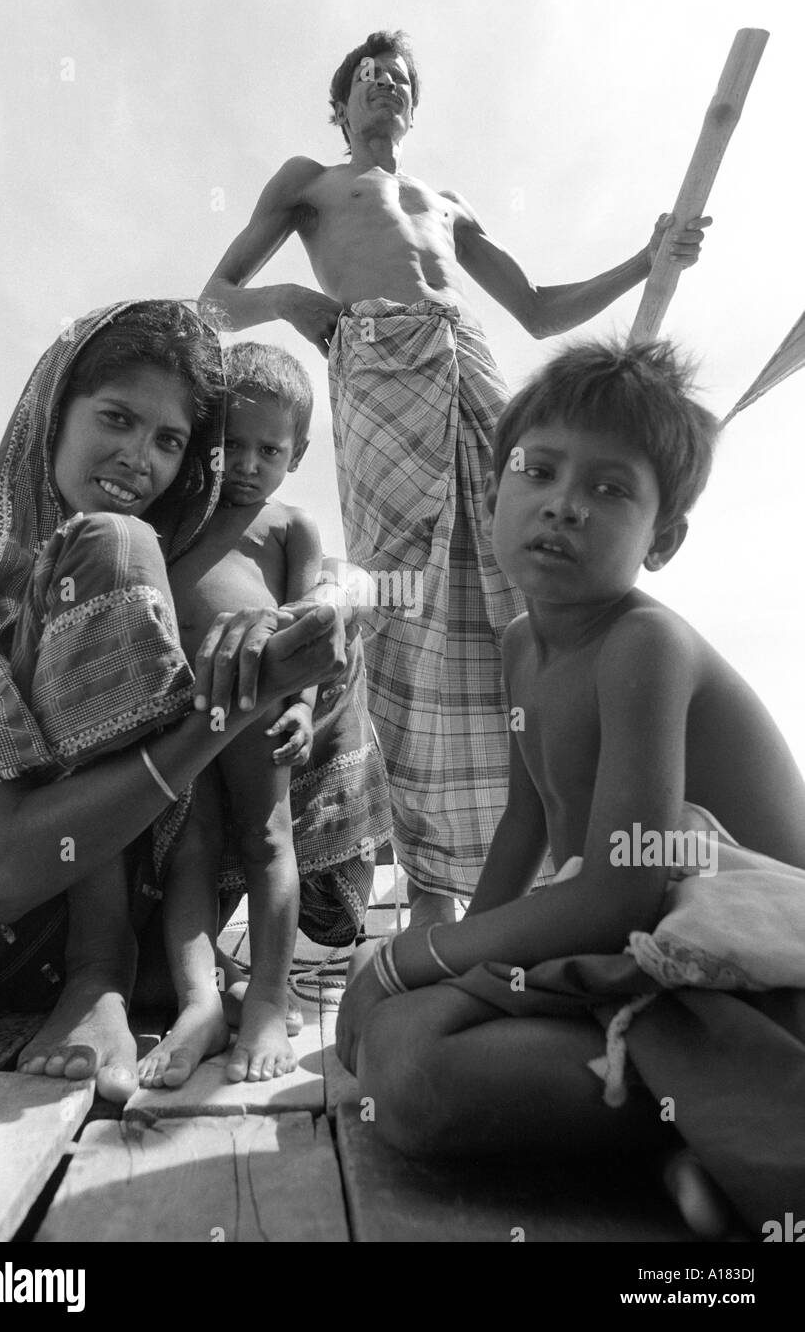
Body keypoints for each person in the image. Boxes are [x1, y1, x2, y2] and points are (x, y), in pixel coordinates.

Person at [198, 29, 710, 928]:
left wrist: (646, 258)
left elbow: (539, 309)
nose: (383, 85)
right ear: (342, 101)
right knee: (405, 607)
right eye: (367, 76)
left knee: (531, 572)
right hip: (375, 370)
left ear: (412, 103)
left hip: (467, 363)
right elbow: (213, 301)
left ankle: (577, 840)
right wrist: (284, 301)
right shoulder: (309, 182)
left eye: (398, 77)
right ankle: (431, 886)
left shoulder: (447, 202)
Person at [336, 339, 805, 1236]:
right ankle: (689, 1142)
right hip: (634, 947)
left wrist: (413, 962)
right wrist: (444, 956)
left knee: (410, 1069)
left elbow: (622, 883)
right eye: (539, 471)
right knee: (384, 1027)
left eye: (610, 489)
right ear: (495, 491)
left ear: (660, 540)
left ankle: (718, 1129)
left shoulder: (644, 645)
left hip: (744, 977)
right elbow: (525, 823)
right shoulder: (522, 646)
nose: (564, 505)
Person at [0, 301, 352, 1102]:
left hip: (146, 903)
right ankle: (99, 976)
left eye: (169, 441)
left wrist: (321, 613)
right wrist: (223, 713)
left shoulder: (193, 532)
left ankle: (202, 984)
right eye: (117, 419)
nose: (140, 458)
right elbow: (1, 872)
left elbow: (330, 571)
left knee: (319, 632)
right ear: (52, 412)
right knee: (117, 543)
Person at [139, 343, 389, 1088]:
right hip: (178, 709)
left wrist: (307, 709)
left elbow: (315, 629)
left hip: (259, 703)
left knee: (265, 837)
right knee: (188, 847)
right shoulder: (171, 515)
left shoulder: (288, 527)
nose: (246, 464)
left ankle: (268, 999)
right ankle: (198, 1006)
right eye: (229, 445)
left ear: (297, 452)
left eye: (268, 449)